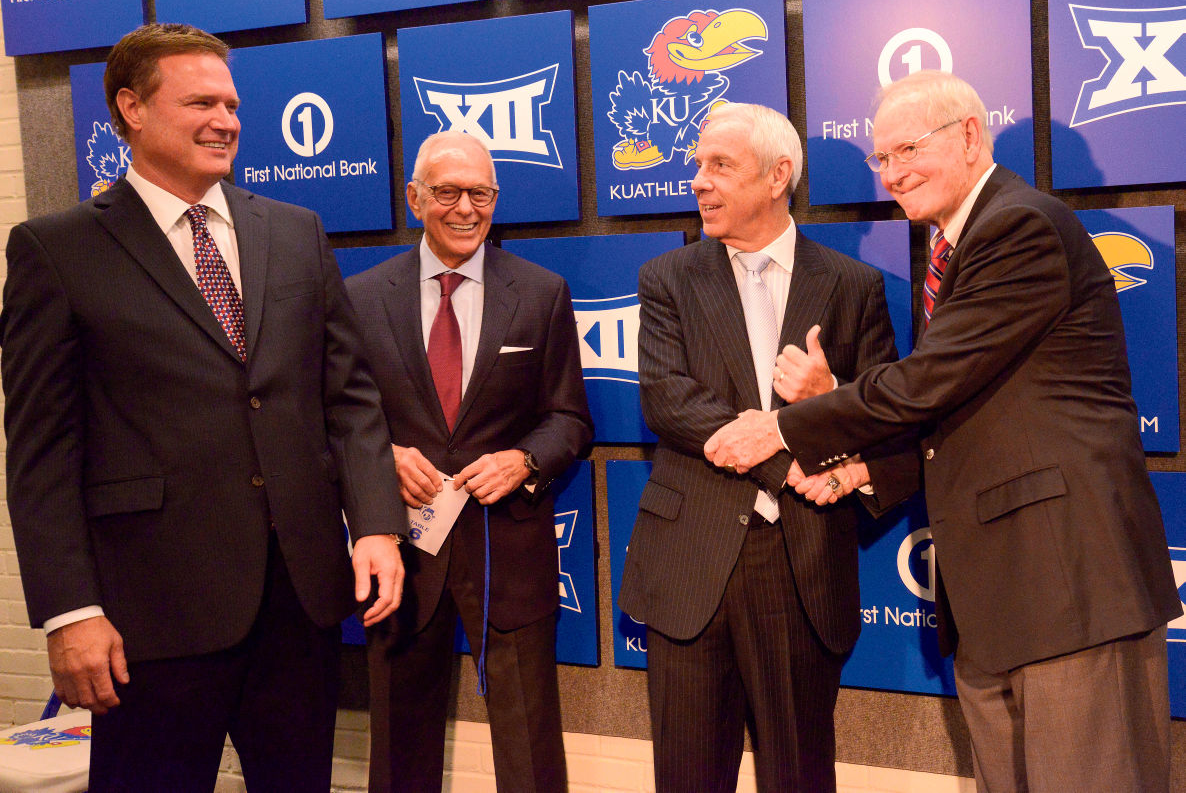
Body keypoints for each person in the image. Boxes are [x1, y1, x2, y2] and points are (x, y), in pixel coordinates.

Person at [705, 71, 1180, 791]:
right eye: (880, 159)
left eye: (907, 149)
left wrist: (783, 428)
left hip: (1069, 589)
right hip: (1000, 603)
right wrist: (868, 470)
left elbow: (928, 383)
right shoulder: (952, 248)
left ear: (969, 135)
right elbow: (959, 410)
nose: (893, 173)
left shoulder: (1019, 226)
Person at [0, 23, 406, 792]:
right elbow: (41, 453)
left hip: (299, 602)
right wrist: (68, 611)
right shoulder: (56, 251)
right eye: (201, 102)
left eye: (232, 103)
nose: (226, 119)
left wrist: (378, 523)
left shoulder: (295, 231)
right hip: (148, 616)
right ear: (132, 109)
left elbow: (349, 398)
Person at [617, 102, 898, 792]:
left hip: (801, 566)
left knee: (799, 774)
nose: (698, 181)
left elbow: (886, 417)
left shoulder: (854, 285)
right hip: (691, 564)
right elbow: (668, 400)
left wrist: (825, 394)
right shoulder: (668, 278)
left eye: (719, 165)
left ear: (778, 176)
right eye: (697, 165)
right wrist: (786, 453)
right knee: (686, 775)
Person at [346, 131, 593, 793]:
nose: (464, 207)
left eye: (479, 193)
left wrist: (523, 459)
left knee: (532, 752)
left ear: (496, 199)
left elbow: (570, 419)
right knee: (399, 754)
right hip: (403, 555)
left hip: (507, 551)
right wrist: (383, 457)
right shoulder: (361, 298)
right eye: (448, 192)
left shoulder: (541, 293)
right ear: (414, 198)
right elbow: (336, 419)